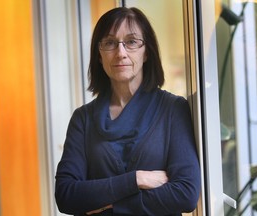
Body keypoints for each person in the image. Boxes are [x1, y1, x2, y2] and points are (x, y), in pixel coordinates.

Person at [55, 7, 201, 216]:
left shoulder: (172, 109)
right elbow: (66, 195)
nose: (120, 53)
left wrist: (110, 206)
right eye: (110, 43)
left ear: (146, 51)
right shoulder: (83, 118)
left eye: (131, 42)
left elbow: (185, 194)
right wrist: (137, 179)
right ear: (99, 54)